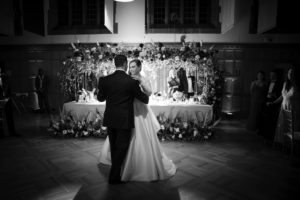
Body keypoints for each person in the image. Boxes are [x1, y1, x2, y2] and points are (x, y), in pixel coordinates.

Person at [99, 59, 176, 182]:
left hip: (137, 112)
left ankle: (132, 165)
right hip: (127, 111)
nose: (131, 69)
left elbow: (148, 94)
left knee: (135, 139)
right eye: (130, 66)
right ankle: (120, 167)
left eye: (134, 66)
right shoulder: (128, 80)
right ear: (125, 66)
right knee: (121, 142)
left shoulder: (138, 80)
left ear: (140, 68)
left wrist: (141, 82)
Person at [97, 55, 150, 184]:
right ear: (125, 64)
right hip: (124, 119)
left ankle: (115, 173)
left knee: (115, 146)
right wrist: (142, 86)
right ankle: (114, 176)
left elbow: (100, 98)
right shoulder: (131, 81)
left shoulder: (105, 80)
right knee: (122, 147)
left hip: (110, 118)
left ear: (115, 64)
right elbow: (145, 99)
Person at [271, 67, 298, 144]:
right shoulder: (285, 83)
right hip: (284, 107)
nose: (290, 74)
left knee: (293, 128)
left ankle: (293, 145)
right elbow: (282, 96)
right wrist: (273, 102)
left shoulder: (297, 85)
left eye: (292, 73)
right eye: (289, 73)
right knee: (282, 125)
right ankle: (284, 143)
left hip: (293, 108)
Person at [259, 70, 283, 142]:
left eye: (273, 75)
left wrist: (274, 95)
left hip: (274, 103)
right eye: (270, 75)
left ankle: (270, 136)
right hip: (267, 102)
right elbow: (266, 92)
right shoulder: (269, 82)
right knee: (265, 119)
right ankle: (264, 134)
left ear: (276, 75)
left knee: (272, 120)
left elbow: (280, 95)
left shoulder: (279, 84)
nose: (271, 76)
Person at [0, 65, 19, 137]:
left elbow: (7, 89)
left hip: (7, 99)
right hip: (1, 99)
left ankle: (12, 132)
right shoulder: (3, 78)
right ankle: (1, 133)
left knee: (9, 116)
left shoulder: (5, 78)